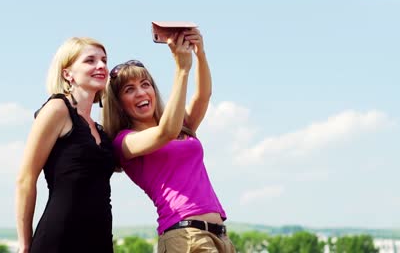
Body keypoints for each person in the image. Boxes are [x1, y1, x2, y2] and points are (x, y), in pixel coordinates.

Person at [103, 29, 235, 252]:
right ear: (119, 103)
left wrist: (199, 53)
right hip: (185, 236)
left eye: (145, 84)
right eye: (129, 89)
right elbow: (165, 132)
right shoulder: (125, 141)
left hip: (220, 235)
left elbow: (203, 96)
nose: (141, 93)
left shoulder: (180, 124)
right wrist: (181, 69)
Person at [15, 37, 116, 253]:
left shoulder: (101, 129)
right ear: (67, 73)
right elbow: (25, 179)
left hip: (100, 240)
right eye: (90, 60)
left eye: (104, 60)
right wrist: (24, 244)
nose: (101, 66)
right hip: (59, 239)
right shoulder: (57, 109)